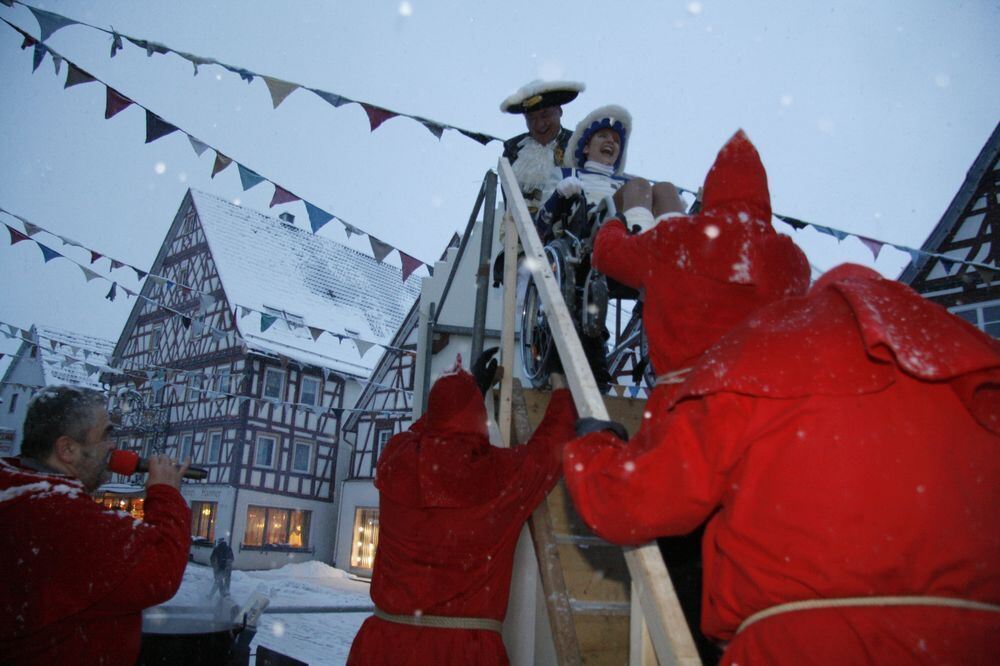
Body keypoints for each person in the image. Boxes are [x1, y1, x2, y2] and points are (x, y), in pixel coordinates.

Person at [563, 130, 1000, 664]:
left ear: (710, 192)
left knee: (676, 542)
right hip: (780, 404)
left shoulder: (675, 243)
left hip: (700, 407)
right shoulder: (789, 259)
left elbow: (611, 255)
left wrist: (620, 218)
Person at [347, 349, 577, 665]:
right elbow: (551, 448)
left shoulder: (397, 459)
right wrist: (562, 386)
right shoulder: (500, 478)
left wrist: (467, 394)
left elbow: (429, 430)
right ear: (477, 420)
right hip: (462, 651)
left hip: (384, 644)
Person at [0, 386, 191, 666]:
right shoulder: (58, 517)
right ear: (67, 449)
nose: (112, 446)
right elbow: (161, 571)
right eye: (105, 434)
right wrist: (165, 493)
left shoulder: (18, 491)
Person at [500, 79, 584, 211]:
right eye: (531, 118)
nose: (539, 124)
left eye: (545, 115)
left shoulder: (579, 144)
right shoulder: (514, 149)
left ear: (559, 111)